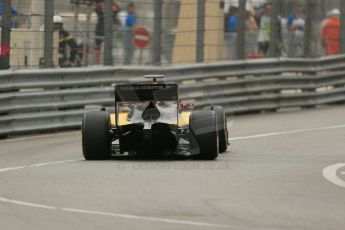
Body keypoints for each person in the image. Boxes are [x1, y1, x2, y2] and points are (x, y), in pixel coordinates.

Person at [94, 0, 121, 65]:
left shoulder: (111, 3)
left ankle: (108, 60)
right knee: (98, 45)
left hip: (109, 29)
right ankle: (97, 62)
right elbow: (99, 13)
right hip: (100, 28)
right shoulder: (99, 4)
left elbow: (118, 9)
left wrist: (113, 10)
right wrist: (110, 11)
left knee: (109, 45)